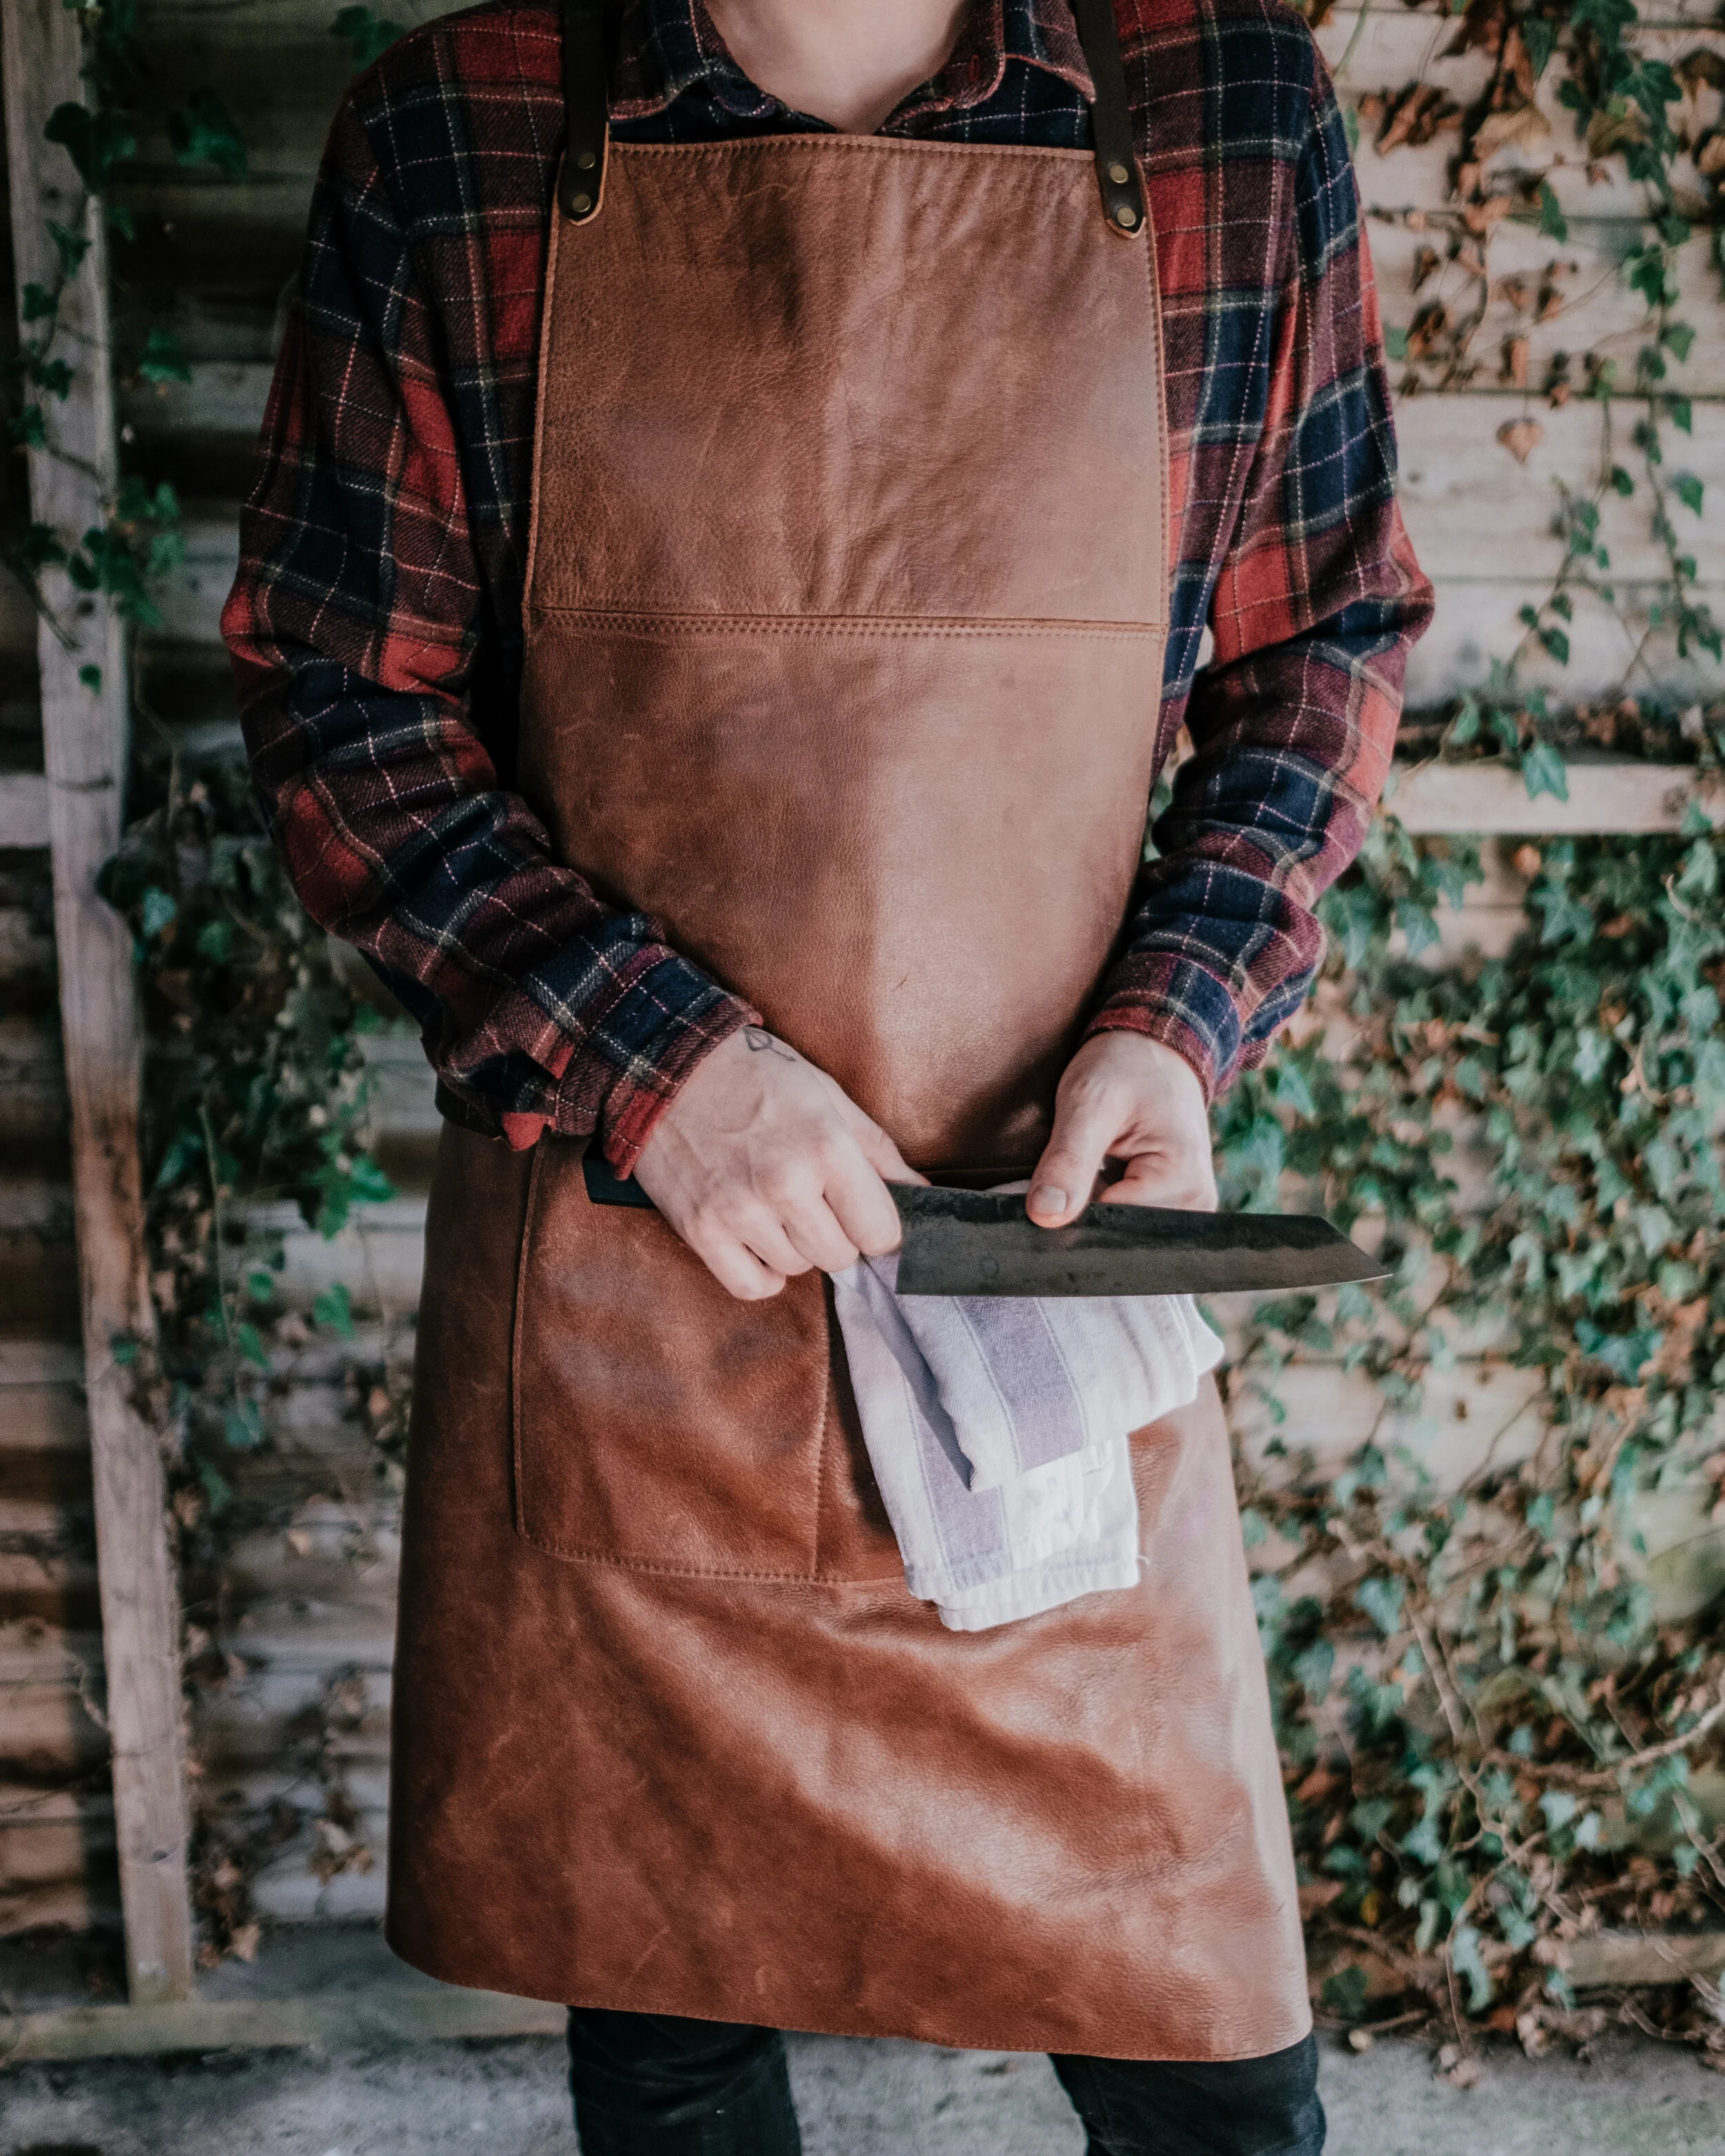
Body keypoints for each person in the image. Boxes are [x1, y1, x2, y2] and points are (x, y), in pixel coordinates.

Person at [224, 0, 1431, 2148]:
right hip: (630, 1306)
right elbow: (345, 700)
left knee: (1214, 2081)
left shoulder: (1221, 115)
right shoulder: (461, 135)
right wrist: (662, 1063)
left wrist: (1177, 1014)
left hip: (1036, 1313)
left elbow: (1316, 649)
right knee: (674, 2041)